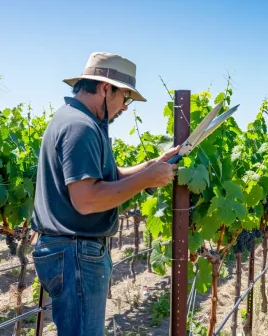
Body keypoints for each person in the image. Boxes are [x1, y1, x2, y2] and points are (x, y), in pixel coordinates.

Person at [30, 52, 179, 335]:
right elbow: (87, 200)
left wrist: (147, 168)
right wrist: (146, 179)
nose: (126, 107)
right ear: (104, 87)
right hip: (75, 253)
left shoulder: (78, 121)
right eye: (125, 97)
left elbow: (104, 179)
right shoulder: (80, 127)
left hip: (71, 252)